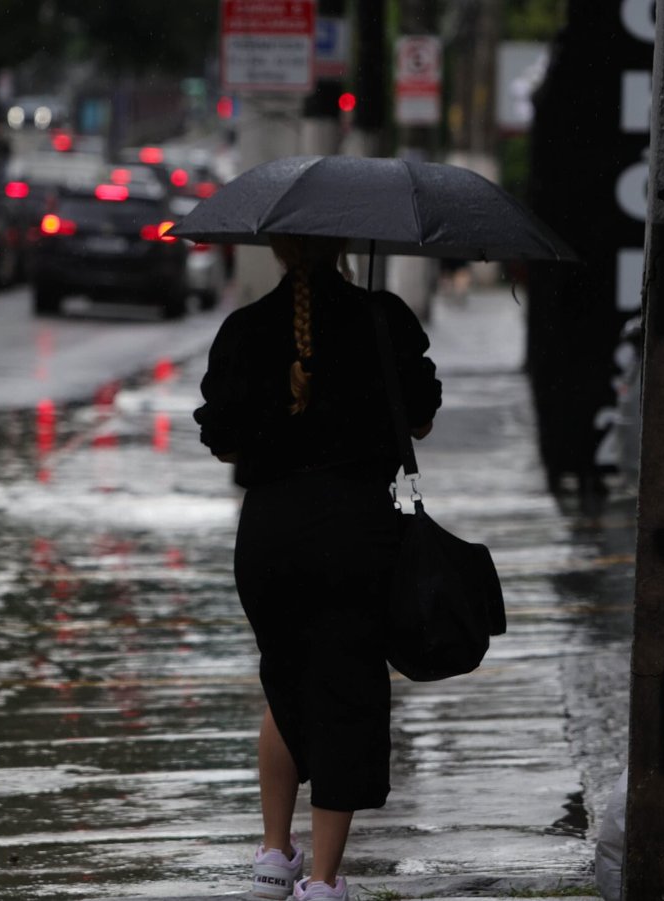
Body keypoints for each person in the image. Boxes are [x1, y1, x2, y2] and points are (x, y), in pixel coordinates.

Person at [192, 234, 442, 901]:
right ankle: (323, 882)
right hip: (356, 532)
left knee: (287, 682)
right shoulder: (381, 318)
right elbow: (419, 421)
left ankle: (275, 854)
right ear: (342, 245)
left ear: (275, 247)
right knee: (345, 693)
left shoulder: (245, 329)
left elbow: (222, 441)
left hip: (269, 536)